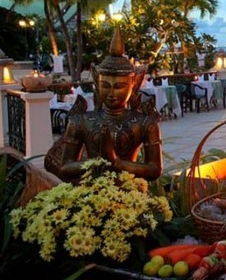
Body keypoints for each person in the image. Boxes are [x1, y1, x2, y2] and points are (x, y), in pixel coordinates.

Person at [49, 28, 162, 182]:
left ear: (133, 85)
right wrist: (96, 162)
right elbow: (65, 167)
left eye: (119, 87)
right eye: (105, 86)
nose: (111, 93)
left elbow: (154, 170)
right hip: (90, 191)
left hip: (130, 192)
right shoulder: (81, 121)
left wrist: (116, 163)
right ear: (97, 83)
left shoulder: (145, 123)